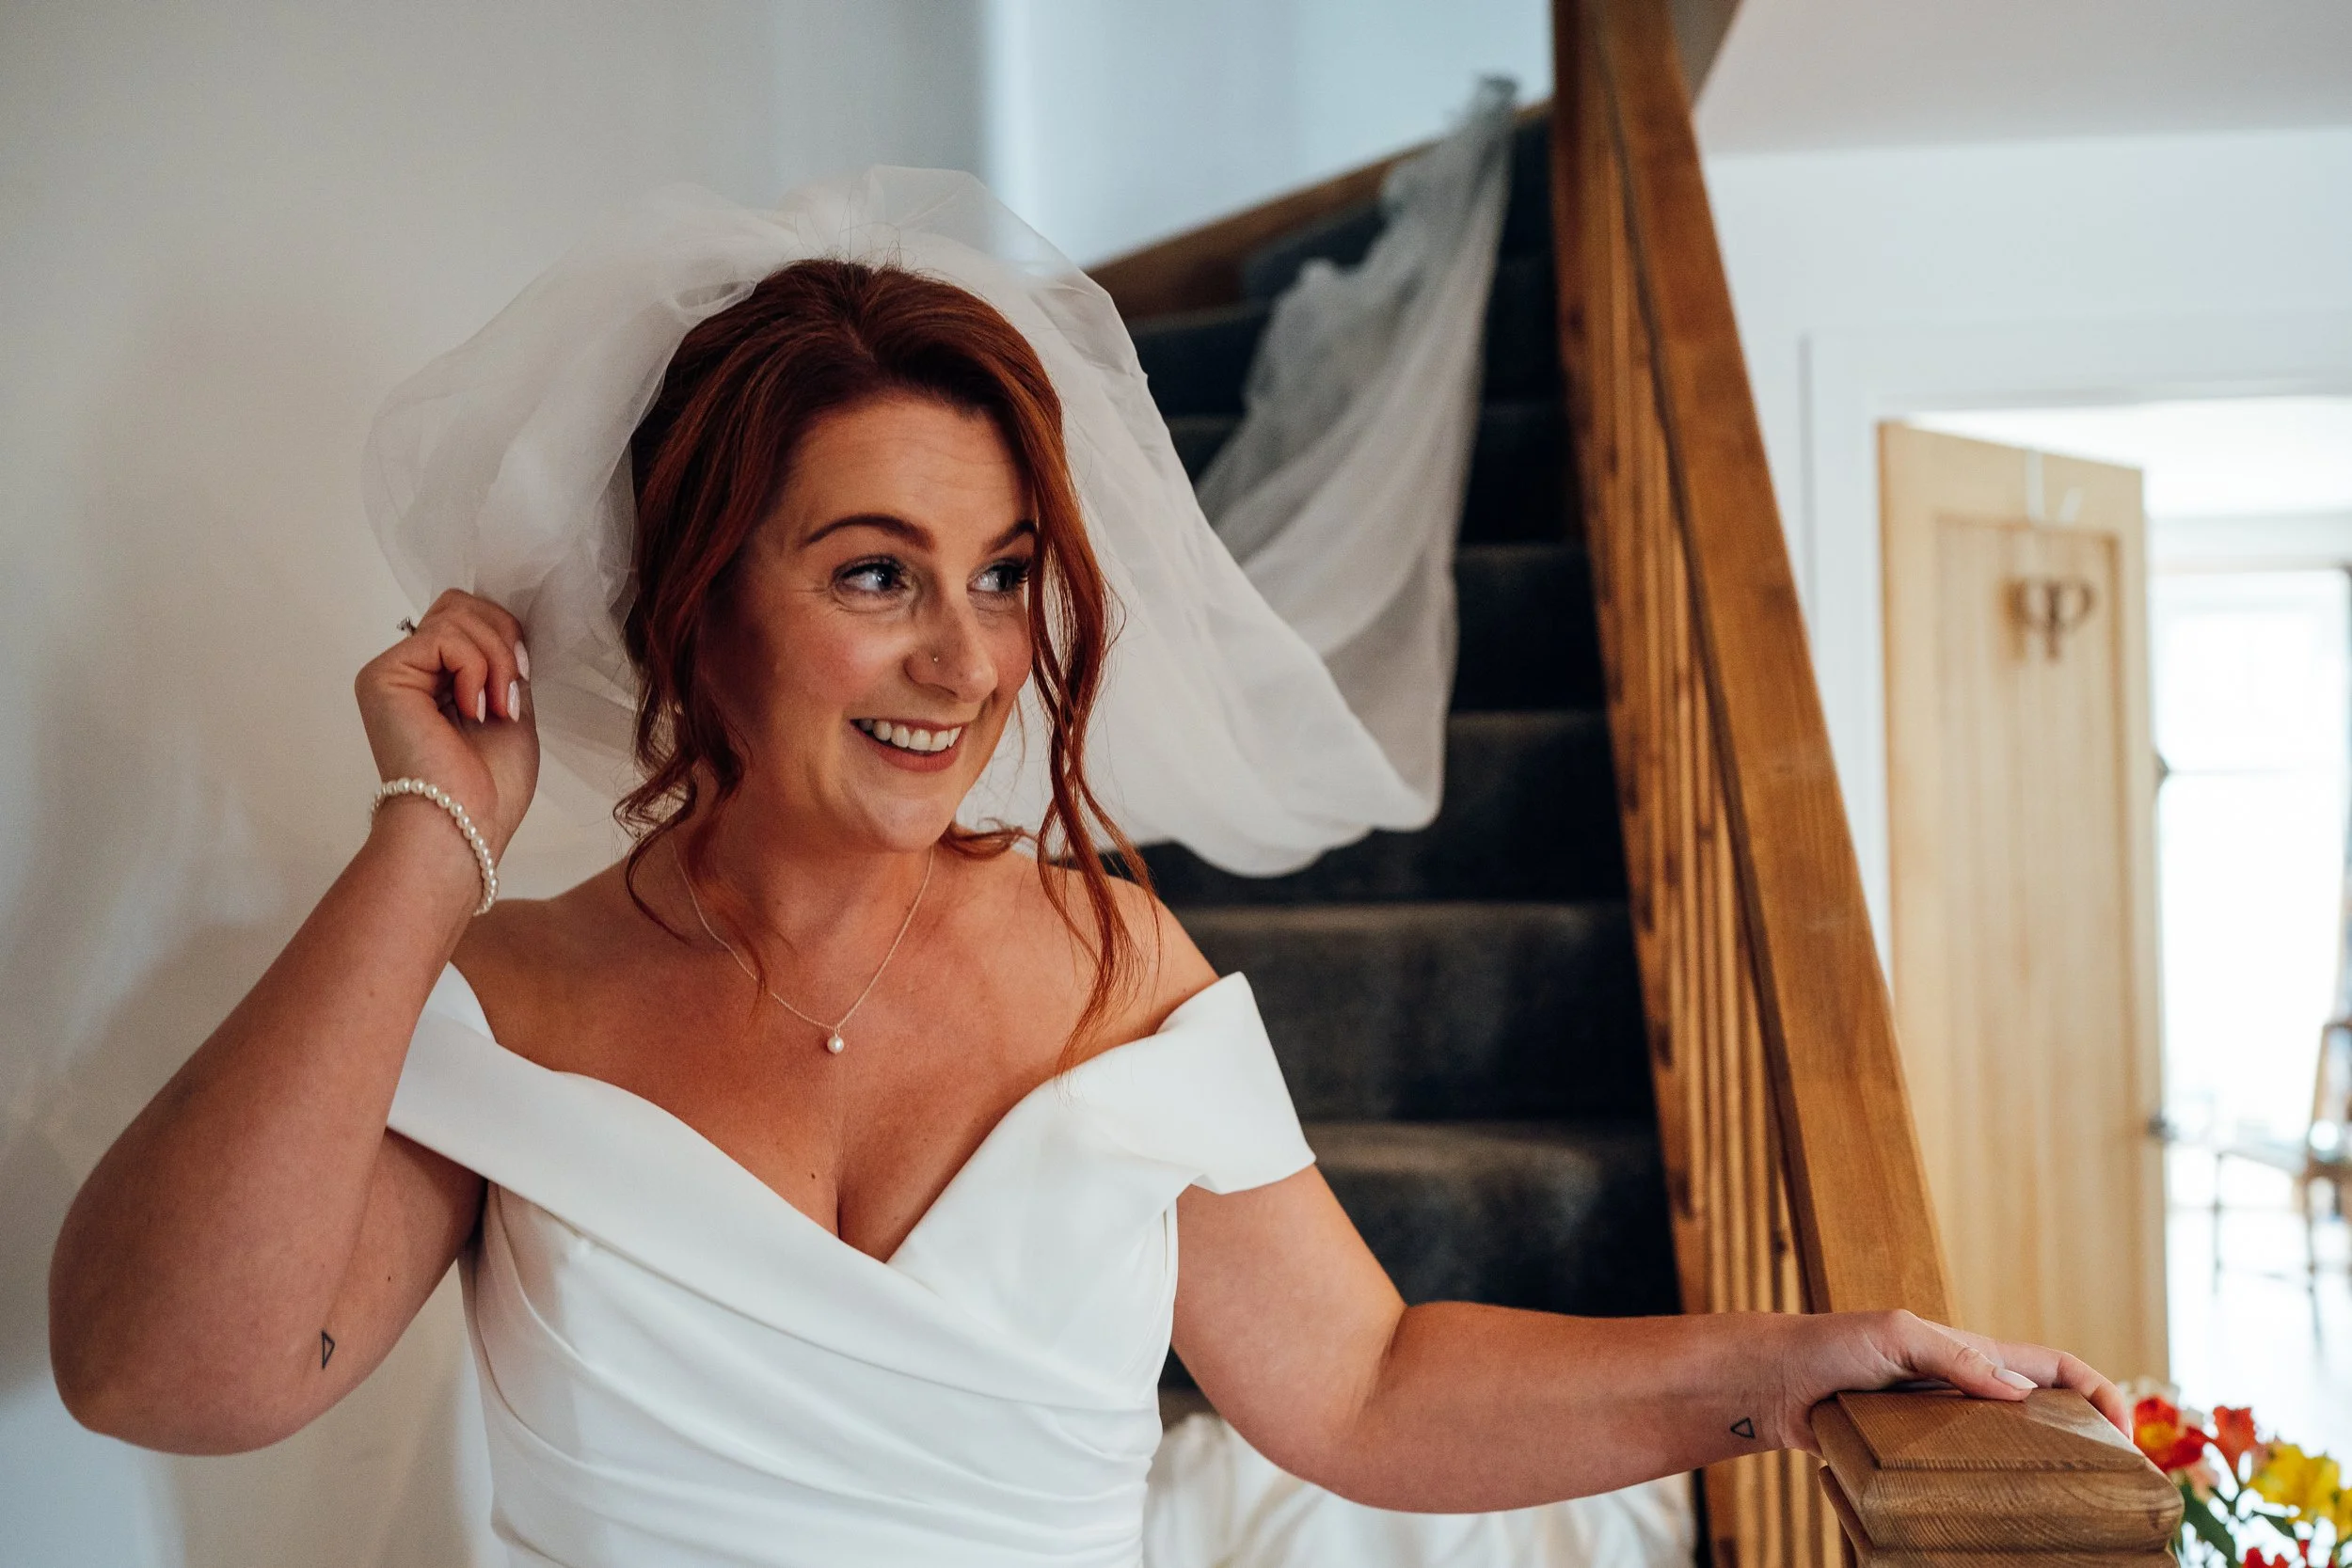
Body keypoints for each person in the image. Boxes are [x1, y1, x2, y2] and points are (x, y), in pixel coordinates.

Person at [46, 178, 2125, 1568]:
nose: (965, 657)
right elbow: (157, 1370)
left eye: (1004, 575)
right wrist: (428, 835)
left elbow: (1367, 1382)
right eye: (874, 573)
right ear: (699, 609)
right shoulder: (511, 995)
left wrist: (1783, 1364)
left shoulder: (1108, 953)